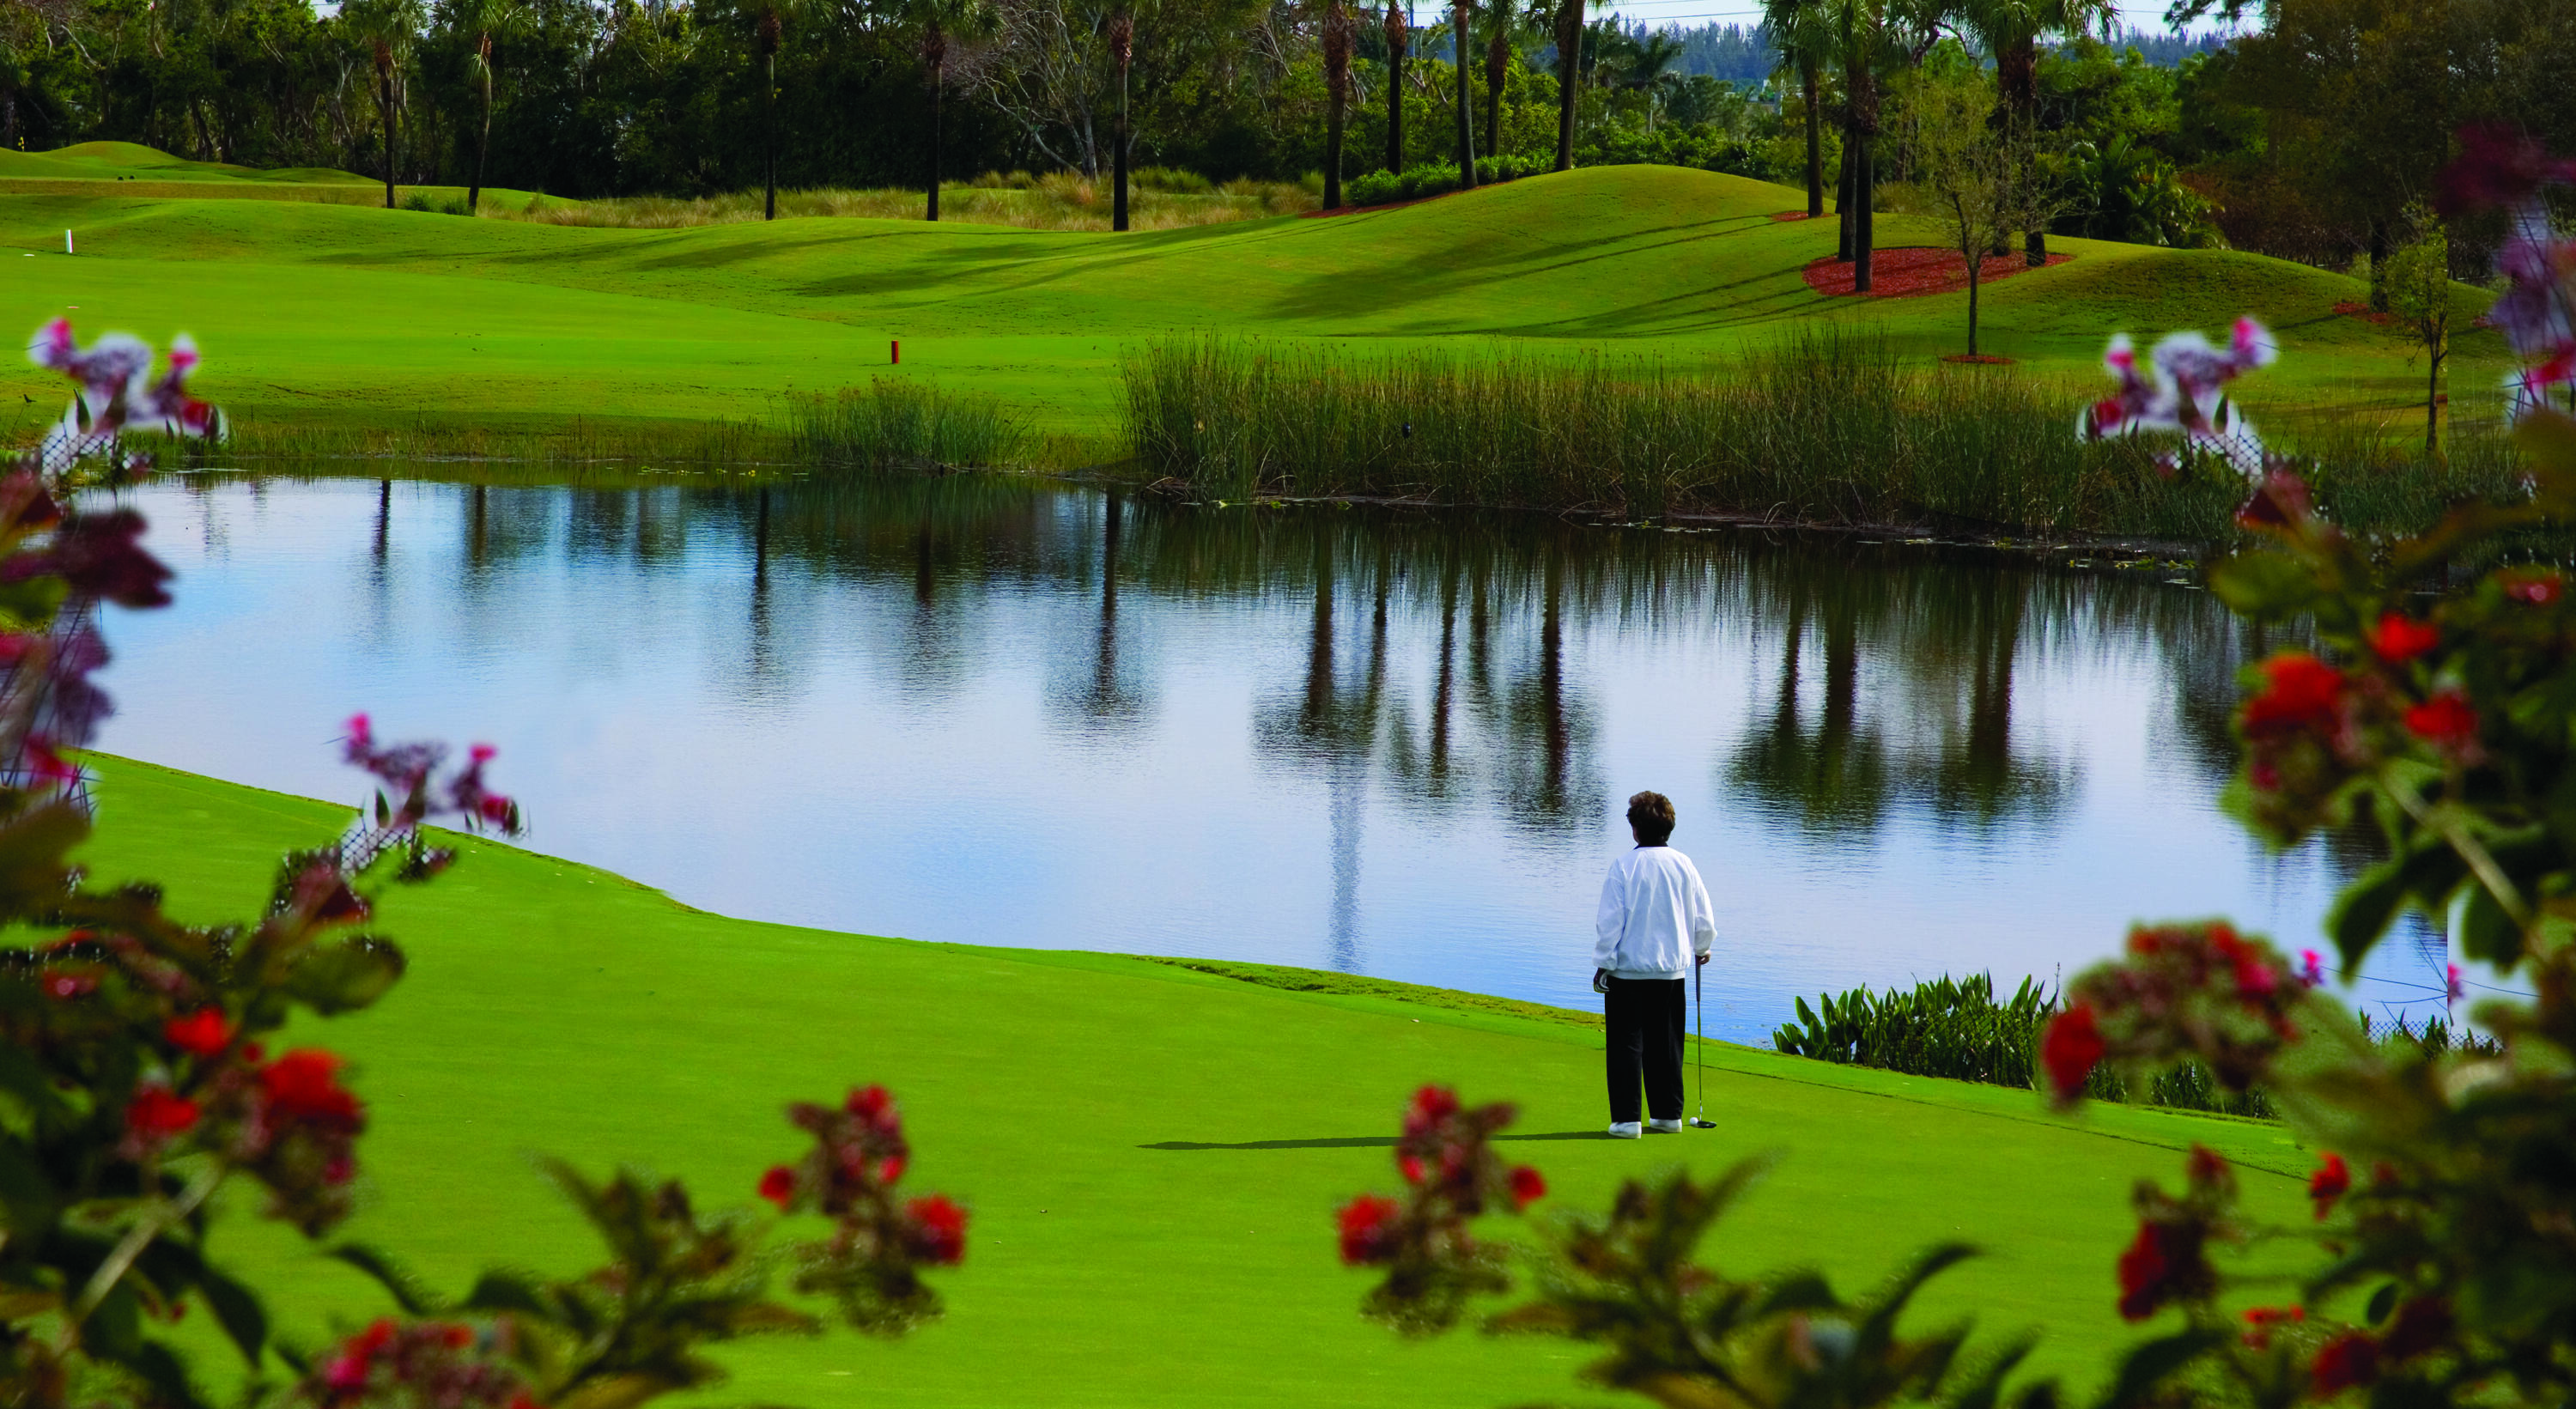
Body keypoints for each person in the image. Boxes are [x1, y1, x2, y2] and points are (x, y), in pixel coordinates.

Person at [1592, 790, 1716, 1138]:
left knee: (1626, 1043)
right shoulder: (1685, 864)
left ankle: (1627, 1120)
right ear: (1669, 828)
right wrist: (1702, 946)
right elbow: (1703, 916)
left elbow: (1610, 923)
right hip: (1671, 970)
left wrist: (1603, 963)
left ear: (1635, 830)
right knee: (1667, 1043)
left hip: (1628, 970)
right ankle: (1667, 1115)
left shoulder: (1624, 866)